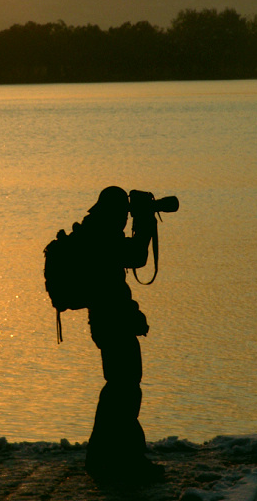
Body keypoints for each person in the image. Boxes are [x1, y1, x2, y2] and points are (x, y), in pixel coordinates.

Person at [79, 185, 166, 485]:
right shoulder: (103, 236)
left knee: (119, 388)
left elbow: (116, 284)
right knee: (125, 390)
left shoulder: (97, 230)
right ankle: (125, 459)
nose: (125, 219)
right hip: (111, 323)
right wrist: (144, 223)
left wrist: (133, 315)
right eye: (125, 214)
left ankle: (104, 455)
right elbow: (136, 257)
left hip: (108, 322)